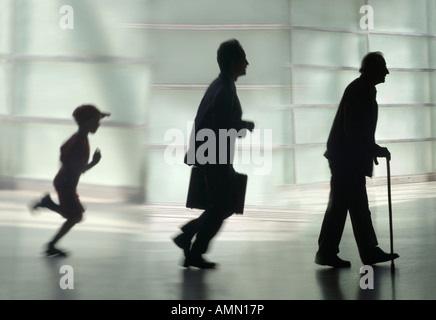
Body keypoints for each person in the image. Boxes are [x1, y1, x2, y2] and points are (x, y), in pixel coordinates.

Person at [172, 39, 255, 269]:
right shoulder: (225, 89)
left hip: (210, 154)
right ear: (233, 63)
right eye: (243, 59)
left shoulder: (219, 85)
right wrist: (243, 125)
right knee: (224, 205)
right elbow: (222, 126)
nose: (247, 63)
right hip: (215, 156)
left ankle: (192, 248)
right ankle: (188, 237)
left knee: (222, 205)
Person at [315, 52, 399, 267]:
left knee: (357, 206)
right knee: (341, 206)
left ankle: (365, 250)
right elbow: (353, 129)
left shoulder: (365, 90)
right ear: (372, 69)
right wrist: (373, 149)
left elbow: (359, 129)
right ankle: (329, 252)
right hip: (345, 159)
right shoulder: (359, 90)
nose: (387, 72)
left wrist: (371, 150)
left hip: (349, 158)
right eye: (383, 68)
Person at [31, 104, 110, 257]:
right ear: (86, 122)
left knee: (74, 215)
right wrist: (94, 162)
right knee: (76, 216)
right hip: (66, 183)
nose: (99, 124)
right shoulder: (79, 143)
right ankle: (51, 245)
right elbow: (79, 169)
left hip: (65, 181)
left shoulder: (79, 139)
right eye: (96, 120)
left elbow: (65, 158)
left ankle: (47, 204)